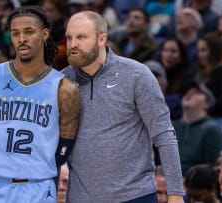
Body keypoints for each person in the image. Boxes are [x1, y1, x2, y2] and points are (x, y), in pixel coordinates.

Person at [63, 10, 184, 202]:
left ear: (101, 39)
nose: (73, 44)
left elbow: (164, 134)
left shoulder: (137, 75)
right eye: (69, 37)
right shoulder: (62, 82)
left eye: (81, 37)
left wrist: (176, 193)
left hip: (135, 196)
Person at [0, 6, 80, 203]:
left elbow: (65, 147)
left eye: (29, 32)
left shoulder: (65, 89)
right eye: (15, 33)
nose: (21, 39)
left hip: (40, 187)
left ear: (44, 34)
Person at [173, 81, 222, 175]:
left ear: (207, 104)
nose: (189, 93)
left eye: (196, 93)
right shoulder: (171, 125)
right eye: (187, 92)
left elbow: (212, 167)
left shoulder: (212, 130)